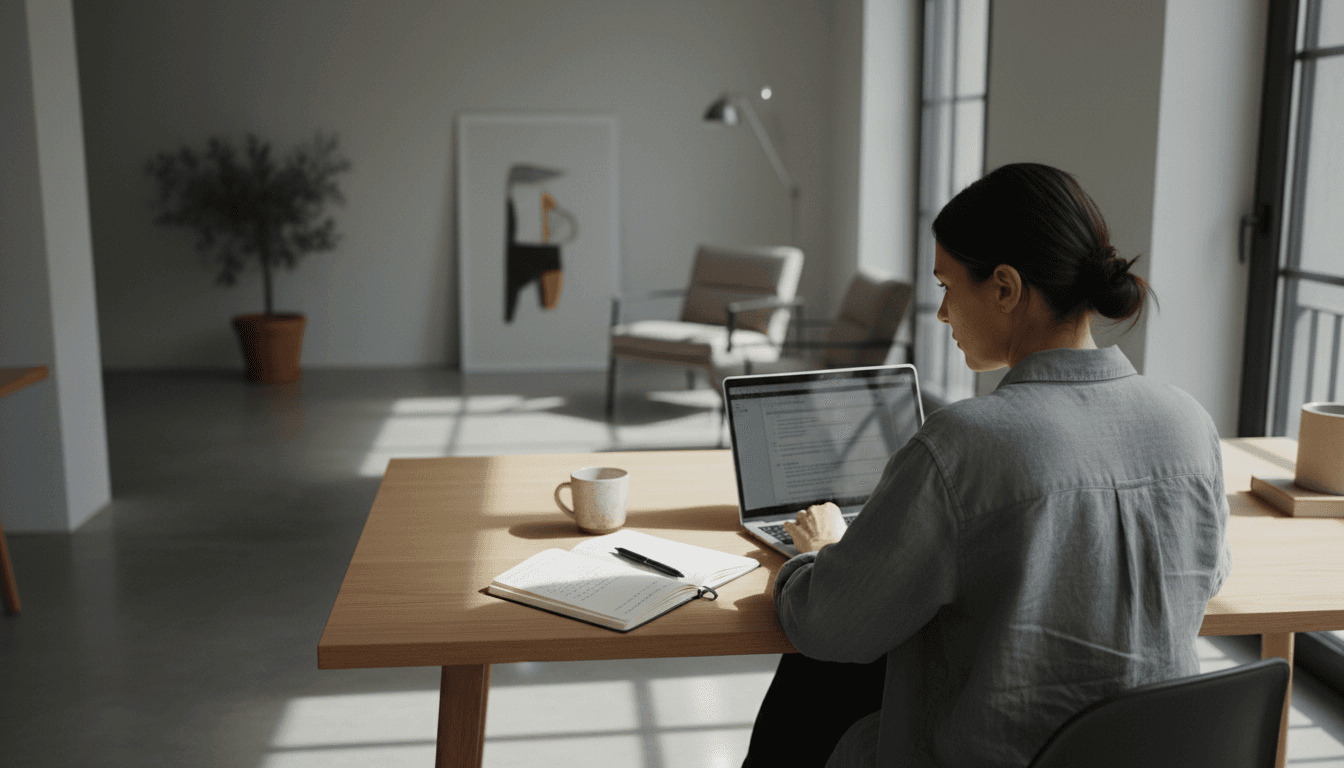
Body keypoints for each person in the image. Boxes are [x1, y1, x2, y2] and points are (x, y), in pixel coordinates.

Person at [741, 162, 1231, 768]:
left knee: (820, 675)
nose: (942, 313)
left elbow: (832, 625)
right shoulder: (1190, 422)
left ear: (1004, 287)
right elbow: (1209, 575)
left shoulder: (962, 445)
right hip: (1146, 754)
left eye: (947, 286)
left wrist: (820, 554)